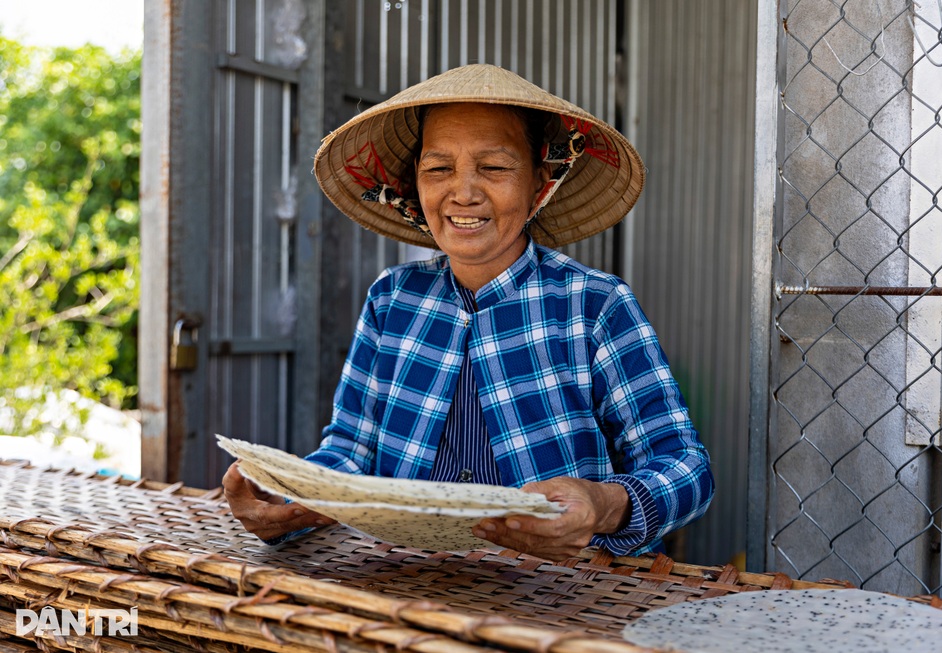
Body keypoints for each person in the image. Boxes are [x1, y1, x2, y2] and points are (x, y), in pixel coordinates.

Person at [223, 64, 714, 561]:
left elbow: (686, 467)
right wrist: (288, 495)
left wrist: (604, 505)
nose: (463, 192)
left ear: (539, 183)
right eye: (439, 169)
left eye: (495, 167)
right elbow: (351, 450)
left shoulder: (593, 304)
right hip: (402, 578)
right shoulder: (392, 299)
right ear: (416, 184)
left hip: (559, 586)